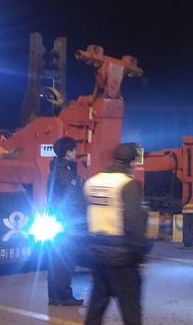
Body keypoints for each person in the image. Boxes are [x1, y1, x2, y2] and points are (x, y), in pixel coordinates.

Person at [84, 143, 150, 325]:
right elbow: (134, 224)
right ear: (132, 162)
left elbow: (83, 218)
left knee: (96, 309)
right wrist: (140, 257)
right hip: (122, 257)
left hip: (97, 254)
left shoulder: (92, 182)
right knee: (131, 310)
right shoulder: (127, 184)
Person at [47, 136, 86, 306]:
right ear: (68, 153)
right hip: (67, 224)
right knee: (65, 261)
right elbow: (72, 200)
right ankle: (62, 296)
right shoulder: (66, 173)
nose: (76, 153)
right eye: (74, 150)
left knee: (57, 260)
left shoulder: (59, 169)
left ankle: (56, 295)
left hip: (59, 222)